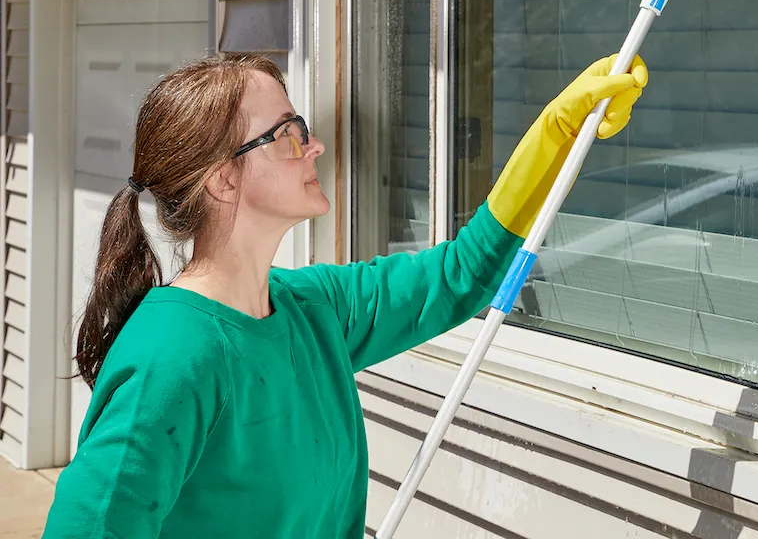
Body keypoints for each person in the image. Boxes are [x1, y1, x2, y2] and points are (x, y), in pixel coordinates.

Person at [42, 52, 648, 538]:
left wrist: (558, 134)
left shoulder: (313, 310)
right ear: (223, 179)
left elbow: (461, 274)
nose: (312, 146)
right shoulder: (172, 357)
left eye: (301, 128)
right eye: (285, 135)